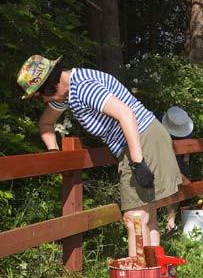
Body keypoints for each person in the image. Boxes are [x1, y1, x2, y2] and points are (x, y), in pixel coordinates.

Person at [16, 55, 182, 256]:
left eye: (40, 96)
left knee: (134, 218)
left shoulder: (83, 87)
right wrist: (54, 153)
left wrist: (137, 163)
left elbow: (126, 114)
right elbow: (45, 124)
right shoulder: (68, 92)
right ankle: (151, 275)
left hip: (142, 139)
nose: (42, 101)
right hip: (144, 137)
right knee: (146, 215)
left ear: (50, 86)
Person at [161, 106, 194, 233]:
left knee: (178, 186)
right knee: (170, 186)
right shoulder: (158, 126)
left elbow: (188, 145)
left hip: (178, 159)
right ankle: (169, 222)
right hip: (162, 158)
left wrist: (185, 163)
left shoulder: (186, 128)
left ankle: (171, 221)